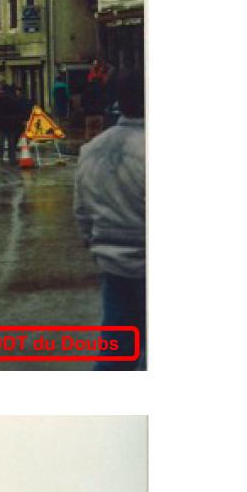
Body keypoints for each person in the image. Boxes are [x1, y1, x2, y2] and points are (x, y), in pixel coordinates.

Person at [73, 69, 145, 369]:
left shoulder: (91, 150)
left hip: (114, 266)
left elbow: (82, 211)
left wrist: (96, 245)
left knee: (117, 352)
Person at [0, 83, 26, 165]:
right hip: (11, 123)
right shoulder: (13, 99)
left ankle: (0, 156)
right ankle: (11, 157)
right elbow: (18, 110)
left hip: (1, 123)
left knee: (1, 140)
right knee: (11, 141)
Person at [83, 60, 107, 140]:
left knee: (88, 132)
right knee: (99, 133)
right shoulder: (101, 89)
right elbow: (105, 100)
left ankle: (88, 147)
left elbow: (83, 101)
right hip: (99, 113)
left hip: (89, 114)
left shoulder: (87, 89)